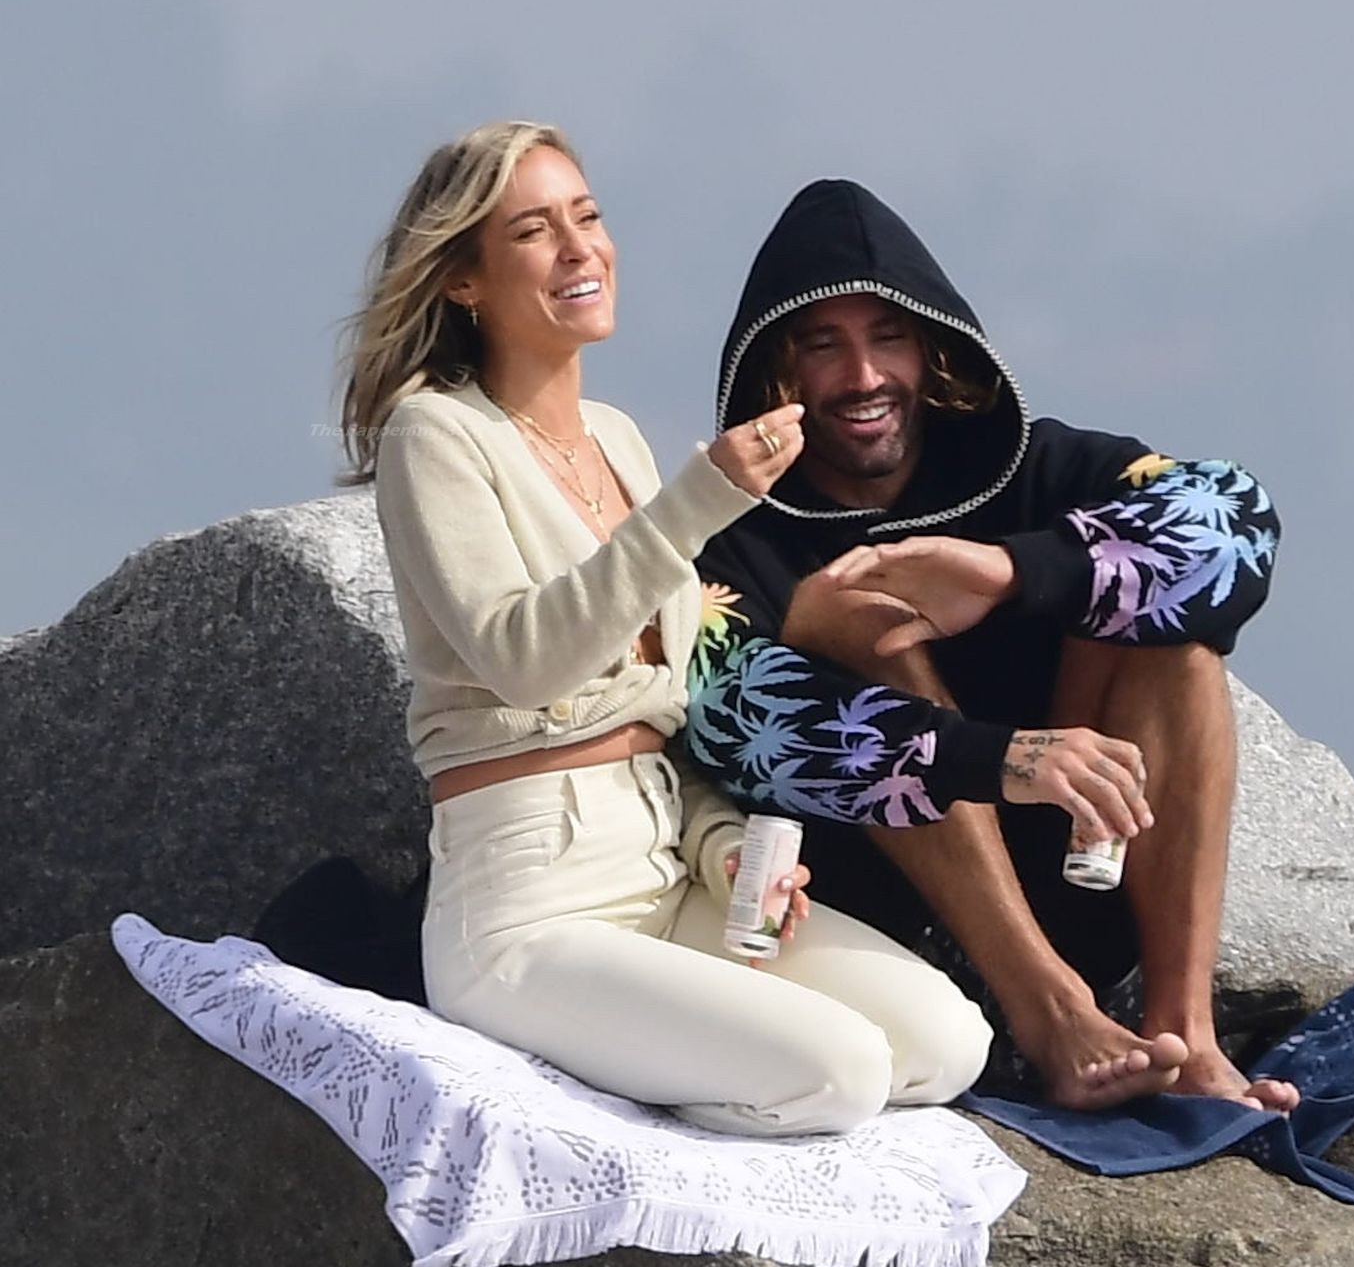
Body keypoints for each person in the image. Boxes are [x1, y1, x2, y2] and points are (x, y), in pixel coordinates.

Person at [338, 125, 994, 1136]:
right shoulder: (434, 434)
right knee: (842, 1072)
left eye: (587, 217)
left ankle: (656, 1069)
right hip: (528, 910)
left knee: (946, 1041)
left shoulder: (618, 440)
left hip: (668, 869)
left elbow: (662, 703)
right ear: (463, 279)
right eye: (533, 231)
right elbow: (523, 661)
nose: (579, 249)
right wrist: (699, 504)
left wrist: (722, 846)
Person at [686, 178, 1301, 1115]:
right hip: (888, 931)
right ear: (777, 370)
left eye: (887, 337)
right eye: (822, 346)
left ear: (932, 348)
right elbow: (728, 719)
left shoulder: (1038, 467)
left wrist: (1016, 573)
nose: (863, 376)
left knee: (1173, 640)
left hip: (1082, 881)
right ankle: (1054, 1019)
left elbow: (1236, 525)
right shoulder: (734, 536)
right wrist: (1000, 758)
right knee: (862, 614)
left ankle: (1187, 1037)